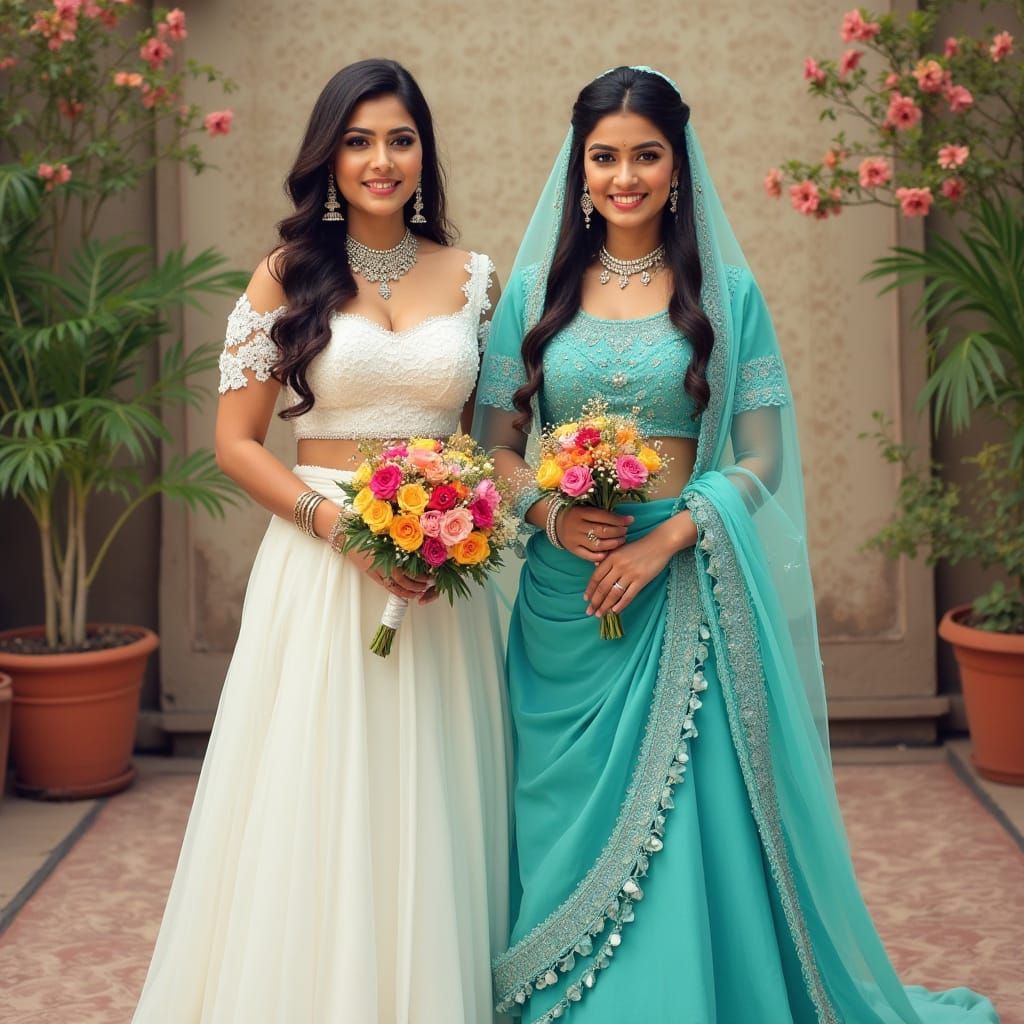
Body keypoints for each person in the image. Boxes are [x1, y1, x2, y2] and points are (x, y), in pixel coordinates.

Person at [475, 65, 999, 1024]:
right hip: (565, 595)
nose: (624, 176)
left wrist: (666, 537)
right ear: (577, 168)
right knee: (559, 822)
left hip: (678, 585)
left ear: (677, 167)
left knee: (687, 823)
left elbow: (760, 459)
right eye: (604, 157)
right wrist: (550, 516)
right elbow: (496, 448)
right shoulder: (535, 296)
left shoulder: (726, 295)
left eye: (645, 155)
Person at [133, 58, 509, 1024]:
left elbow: (493, 440)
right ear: (329, 156)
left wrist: (474, 515)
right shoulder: (287, 274)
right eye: (358, 140)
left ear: (425, 153)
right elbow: (234, 443)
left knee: (434, 784)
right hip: (321, 555)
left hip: (441, 559)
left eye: (399, 138)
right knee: (319, 786)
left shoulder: (473, 278)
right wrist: (341, 527)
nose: (380, 160)